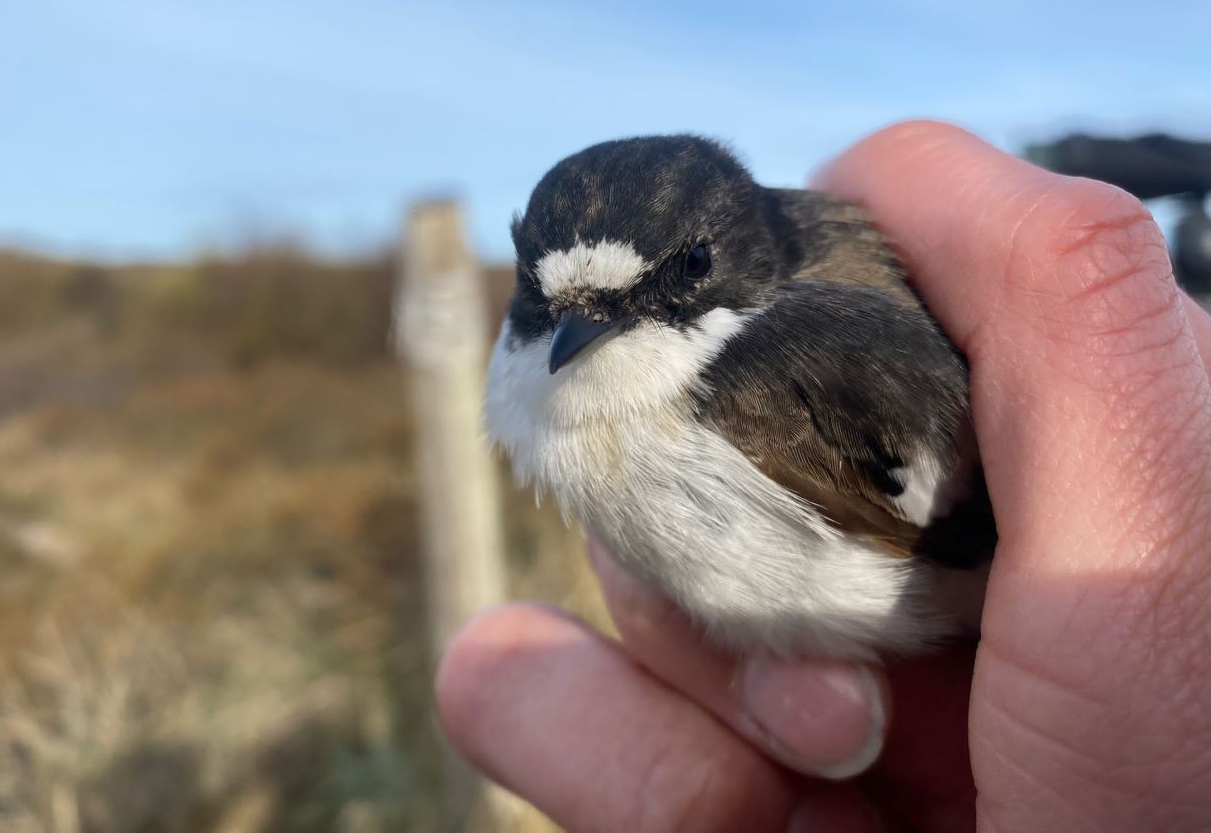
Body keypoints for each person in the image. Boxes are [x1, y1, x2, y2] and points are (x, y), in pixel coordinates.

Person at [434, 121, 1211, 832]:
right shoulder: (553, 371)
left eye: (689, 270)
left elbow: (983, 534)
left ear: (734, 248)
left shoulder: (766, 384)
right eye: (551, 303)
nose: (584, 336)